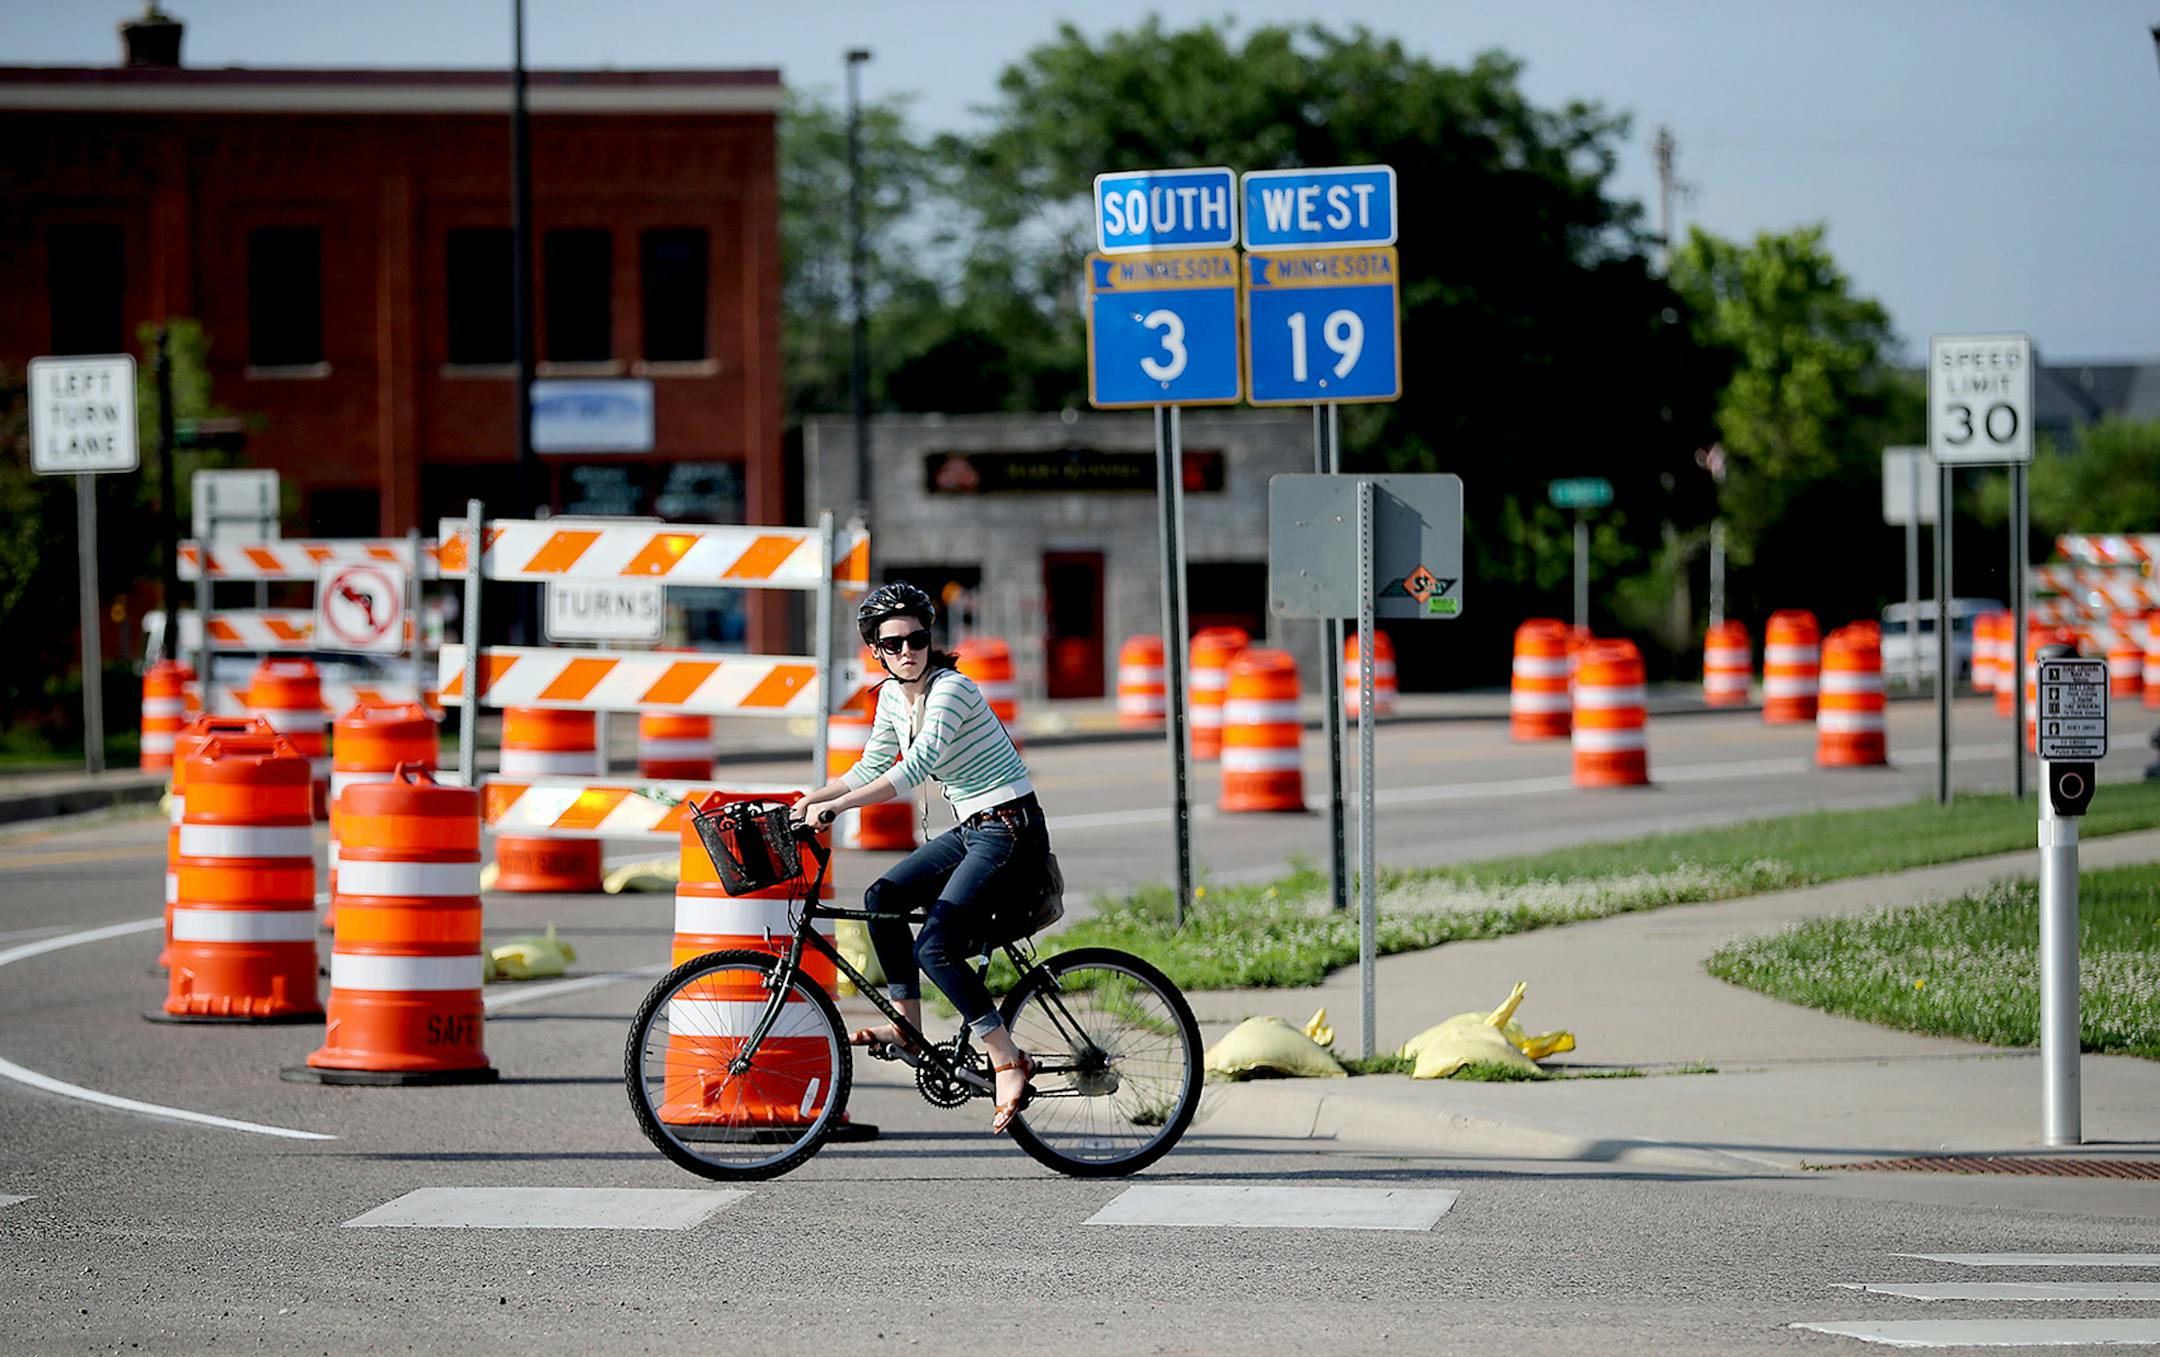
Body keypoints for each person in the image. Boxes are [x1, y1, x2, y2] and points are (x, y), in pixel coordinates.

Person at [791, 582, 1050, 1133]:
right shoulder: (890, 696)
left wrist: (839, 812)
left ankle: (1007, 1058)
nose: (907, 651)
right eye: (894, 643)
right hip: (974, 826)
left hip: (1009, 826)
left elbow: (912, 770)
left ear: (931, 640)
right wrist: (814, 798)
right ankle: (907, 1026)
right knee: (882, 897)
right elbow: (871, 766)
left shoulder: (951, 690)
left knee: (936, 946)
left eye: (917, 638)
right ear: (876, 651)